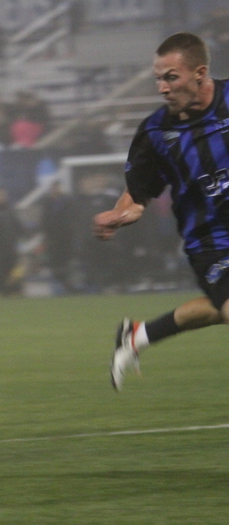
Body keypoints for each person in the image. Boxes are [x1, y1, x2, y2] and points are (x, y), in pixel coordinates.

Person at [93, 32, 229, 391]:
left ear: (199, 73)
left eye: (171, 77)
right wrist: (123, 213)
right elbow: (137, 193)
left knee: (220, 308)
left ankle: (139, 335)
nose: (162, 88)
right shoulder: (155, 131)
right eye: (158, 79)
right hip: (212, 242)